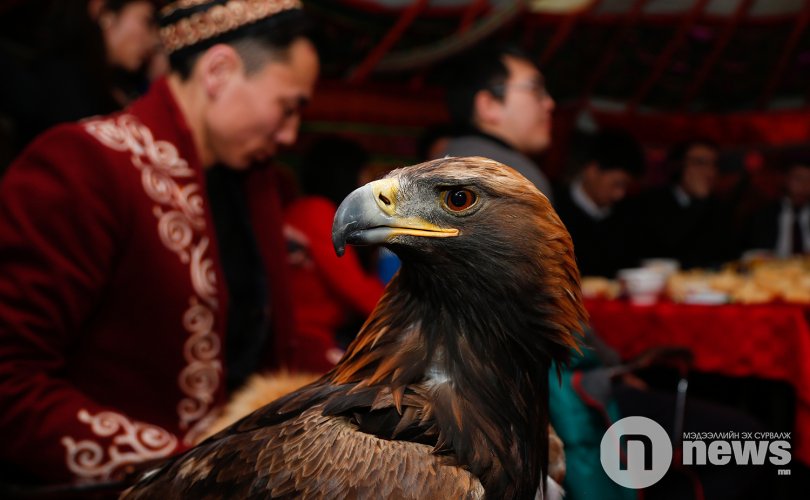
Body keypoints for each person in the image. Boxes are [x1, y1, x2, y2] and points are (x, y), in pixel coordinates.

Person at [0, 0, 318, 486]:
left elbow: (270, 349)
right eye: (288, 105)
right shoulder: (85, 166)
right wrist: (186, 471)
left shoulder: (254, 184)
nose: (292, 132)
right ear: (218, 72)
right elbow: (11, 381)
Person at [0, 0, 159, 167]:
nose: (153, 40)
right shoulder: (62, 82)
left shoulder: (118, 87)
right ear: (105, 12)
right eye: (146, 21)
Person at [283, 136, 385, 372]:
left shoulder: (305, 209)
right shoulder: (316, 212)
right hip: (308, 339)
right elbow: (355, 289)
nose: (368, 184)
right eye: (365, 174)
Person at [440, 45, 555, 202]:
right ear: (489, 105)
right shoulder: (517, 181)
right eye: (536, 89)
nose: (549, 103)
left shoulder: (445, 161)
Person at [632, 139, 738, 269]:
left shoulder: (719, 207)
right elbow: (665, 248)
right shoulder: (650, 202)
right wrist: (697, 204)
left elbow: (726, 256)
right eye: (700, 163)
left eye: (713, 164)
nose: (709, 172)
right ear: (678, 165)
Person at [553, 128, 645, 278]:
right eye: (616, 184)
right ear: (592, 170)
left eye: (626, 187)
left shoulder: (628, 214)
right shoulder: (554, 206)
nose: (620, 194)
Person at [741, 153, 810, 257]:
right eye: (798, 179)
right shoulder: (763, 214)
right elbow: (749, 251)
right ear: (785, 179)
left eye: (809, 180)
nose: (804, 185)